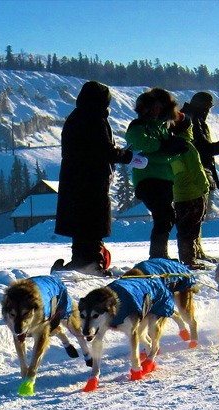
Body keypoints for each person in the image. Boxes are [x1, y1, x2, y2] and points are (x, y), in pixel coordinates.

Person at [52, 81, 133, 275]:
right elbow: (104, 150)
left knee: (81, 226)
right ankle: (93, 264)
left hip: (74, 181)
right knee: (94, 223)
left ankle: (79, 264)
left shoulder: (76, 117)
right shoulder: (95, 119)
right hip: (92, 181)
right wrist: (128, 156)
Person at [181, 91, 219, 262]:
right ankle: (191, 254)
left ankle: (196, 251)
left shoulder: (194, 119)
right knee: (193, 215)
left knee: (197, 215)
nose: (209, 111)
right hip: (194, 173)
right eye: (208, 108)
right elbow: (202, 149)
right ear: (202, 107)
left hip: (198, 172)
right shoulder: (191, 121)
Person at [125, 88, 188, 260]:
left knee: (167, 216)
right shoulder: (139, 125)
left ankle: (160, 255)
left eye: (160, 106)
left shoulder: (163, 129)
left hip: (165, 178)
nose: (157, 109)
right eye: (154, 106)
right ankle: (158, 255)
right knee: (164, 215)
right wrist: (164, 147)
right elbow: (141, 143)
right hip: (148, 178)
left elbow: (170, 155)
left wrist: (164, 150)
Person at [167, 108, 211, 269]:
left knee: (183, 228)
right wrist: (204, 187)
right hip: (194, 193)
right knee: (192, 228)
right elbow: (196, 170)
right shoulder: (187, 146)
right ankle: (190, 260)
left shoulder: (170, 146)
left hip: (179, 194)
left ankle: (186, 258)